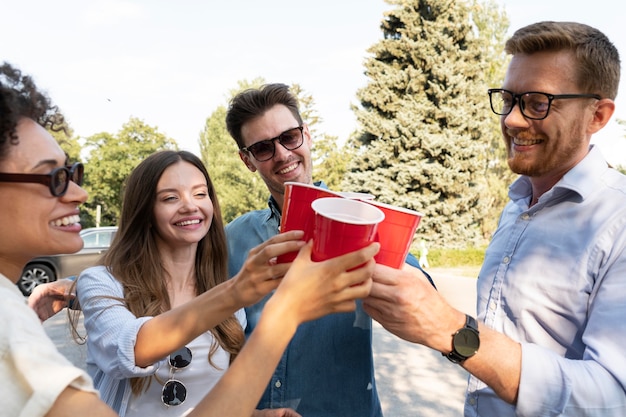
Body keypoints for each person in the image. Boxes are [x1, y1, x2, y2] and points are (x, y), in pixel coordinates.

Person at [0, 61, 380, 417]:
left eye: (201, 194)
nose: (79, 194)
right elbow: (131, 341)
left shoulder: (223, 271)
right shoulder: (225, 272)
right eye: (52, 177)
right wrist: (278, 311)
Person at [363, 21, 626, 417]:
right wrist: (420, 299)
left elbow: (610, 399)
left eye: (538, 103)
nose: (511, 120)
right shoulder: (517, 206)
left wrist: (450, 329)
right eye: (507, 99)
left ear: (598, 115)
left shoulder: (618, 222)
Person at [224, 83, 431, 416]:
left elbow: (423, 297)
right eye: (263, 148)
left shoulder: (363, 219)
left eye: (289, 137)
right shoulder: (230, 240)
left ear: (307, 135)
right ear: (247, 160)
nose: (282, 154)